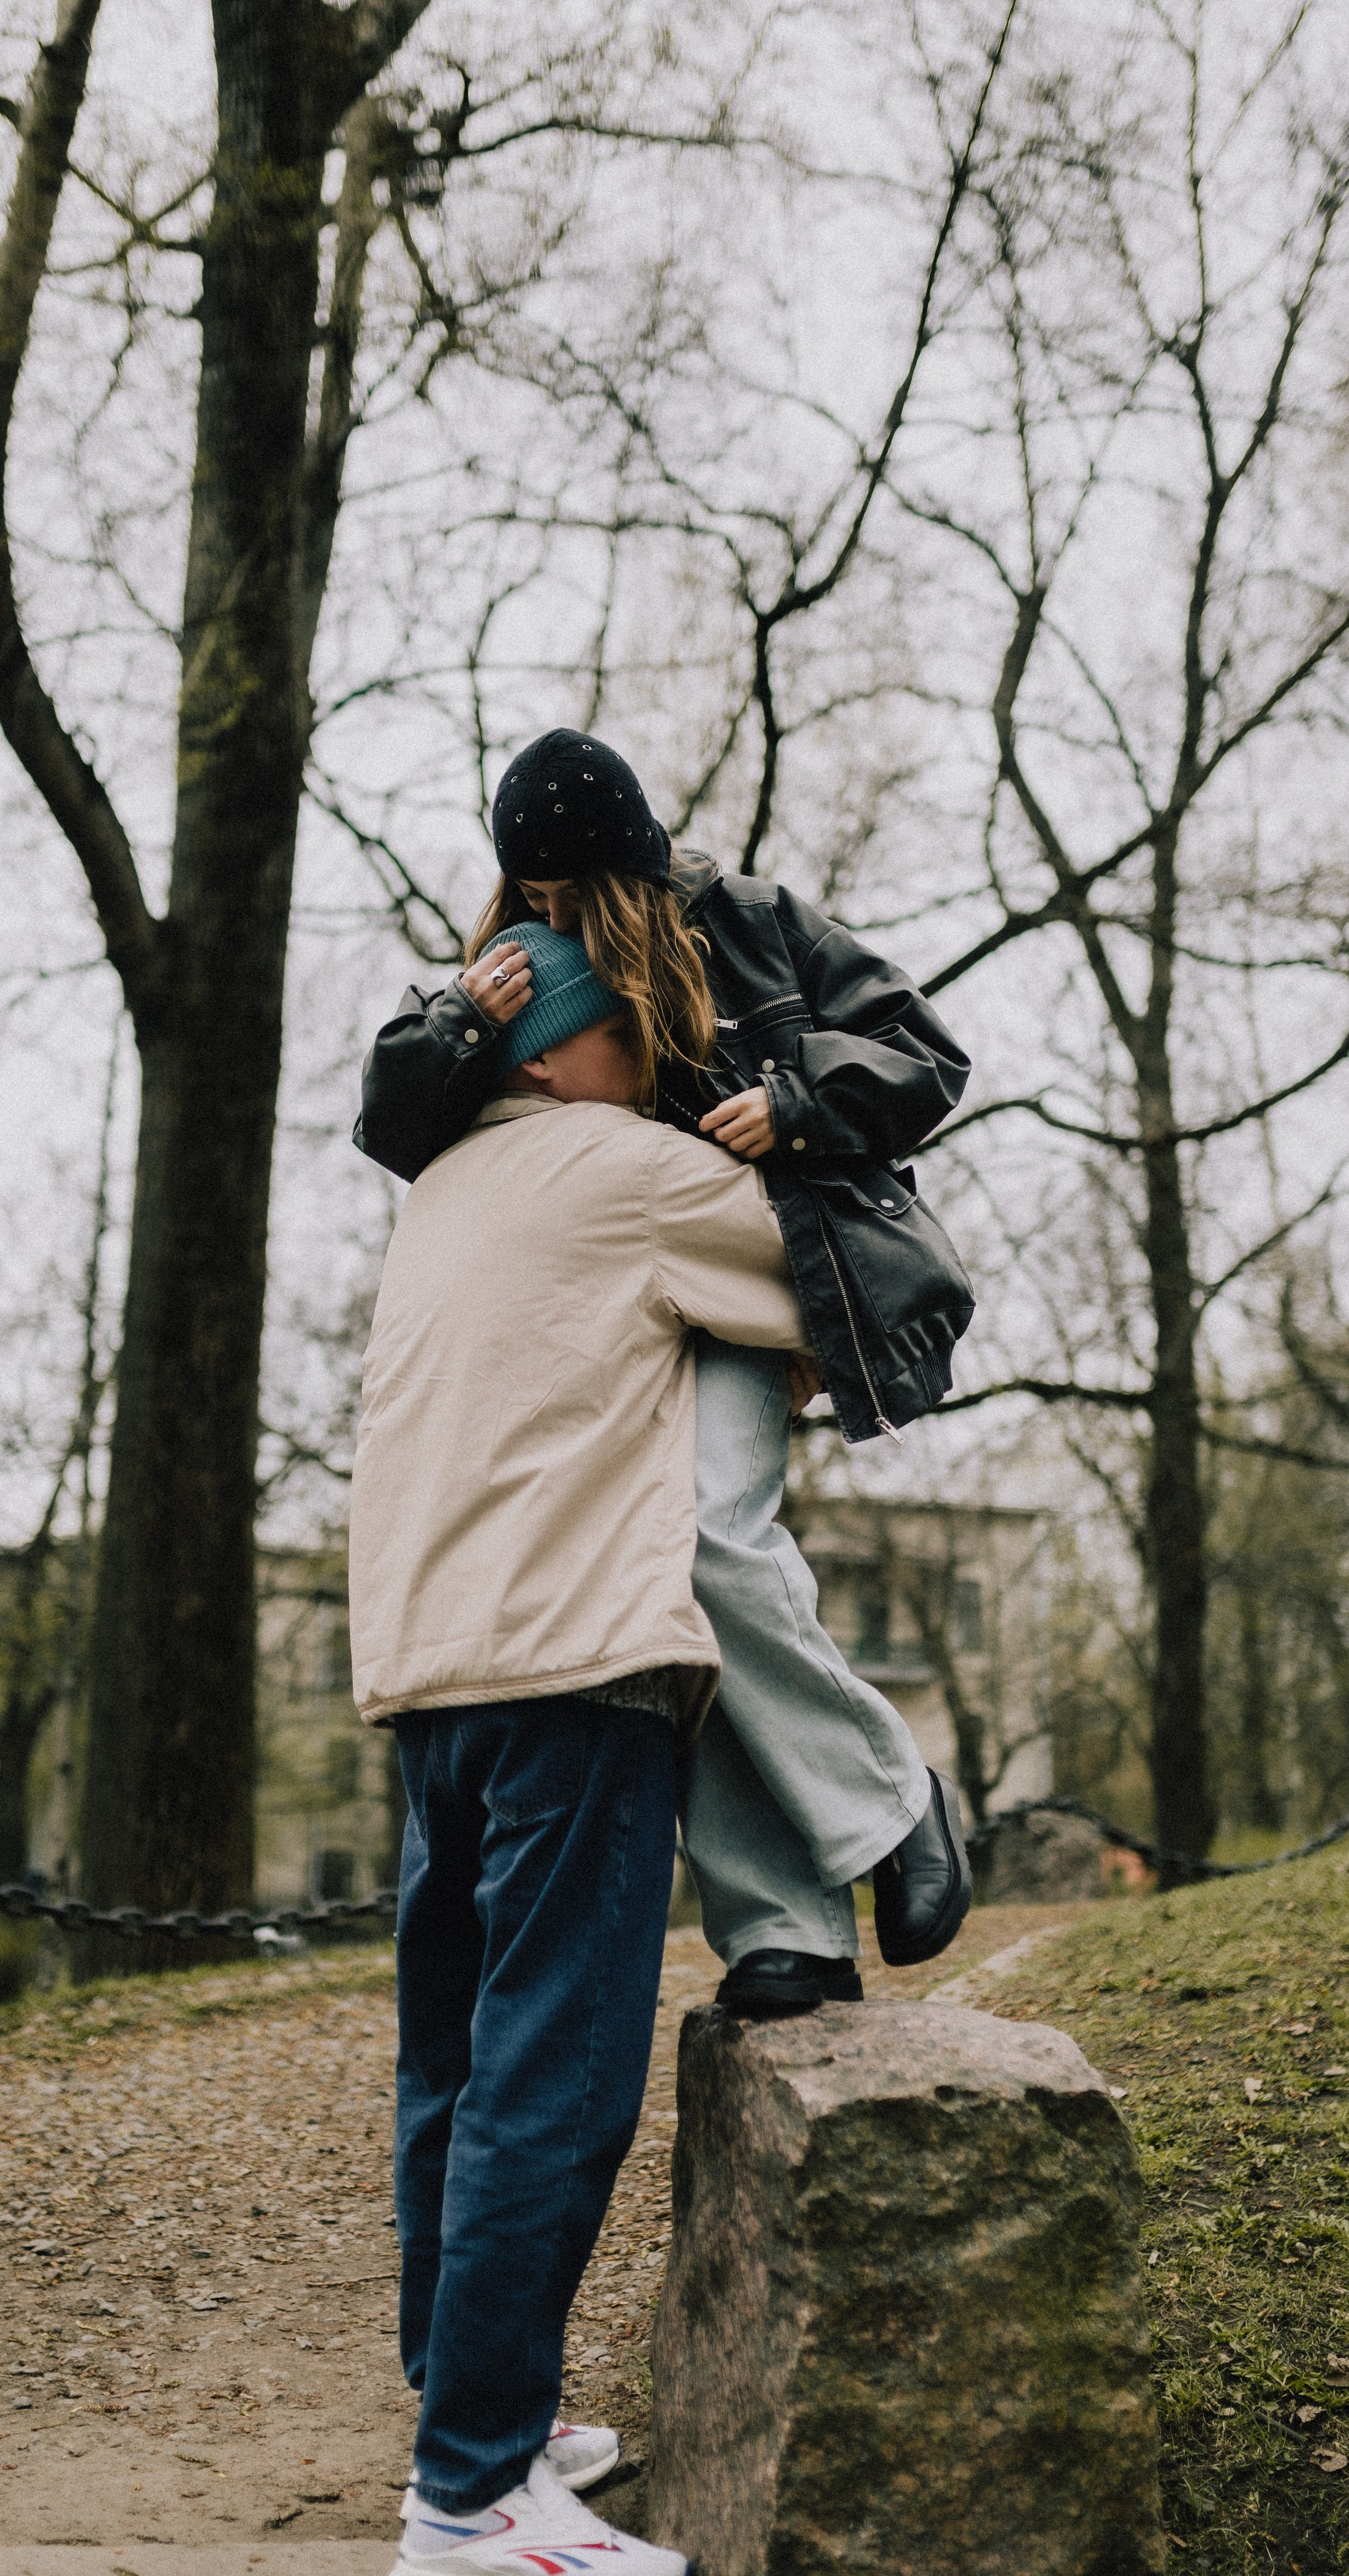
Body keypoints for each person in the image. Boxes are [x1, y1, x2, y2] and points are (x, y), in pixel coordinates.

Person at [355, 728, 977, 2019]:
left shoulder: (748, 923)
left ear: (628, 866)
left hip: (747, 1269)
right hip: (610, 1307)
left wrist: (799, 1103)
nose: (549, 916)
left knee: (709, 1541)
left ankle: (890, 1802)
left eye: (571, 893)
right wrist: (468, 1017)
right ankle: (785, 1932)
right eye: (531, 893)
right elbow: (398, 1126)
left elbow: (926, 1057)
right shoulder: (507, 965)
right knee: (659, 1606)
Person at [349, 934, 817, 2576]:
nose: (667, 1058)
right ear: (569, 1047)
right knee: (553, 2086)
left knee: (454, 2070)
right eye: (640, 1030)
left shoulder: (439, 1192)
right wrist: (805, 1117)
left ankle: (485, 2420)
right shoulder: (630, 1171)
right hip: (576, 1667)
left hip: (433, 1672)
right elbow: (813, 1274)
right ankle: (467, 2510)